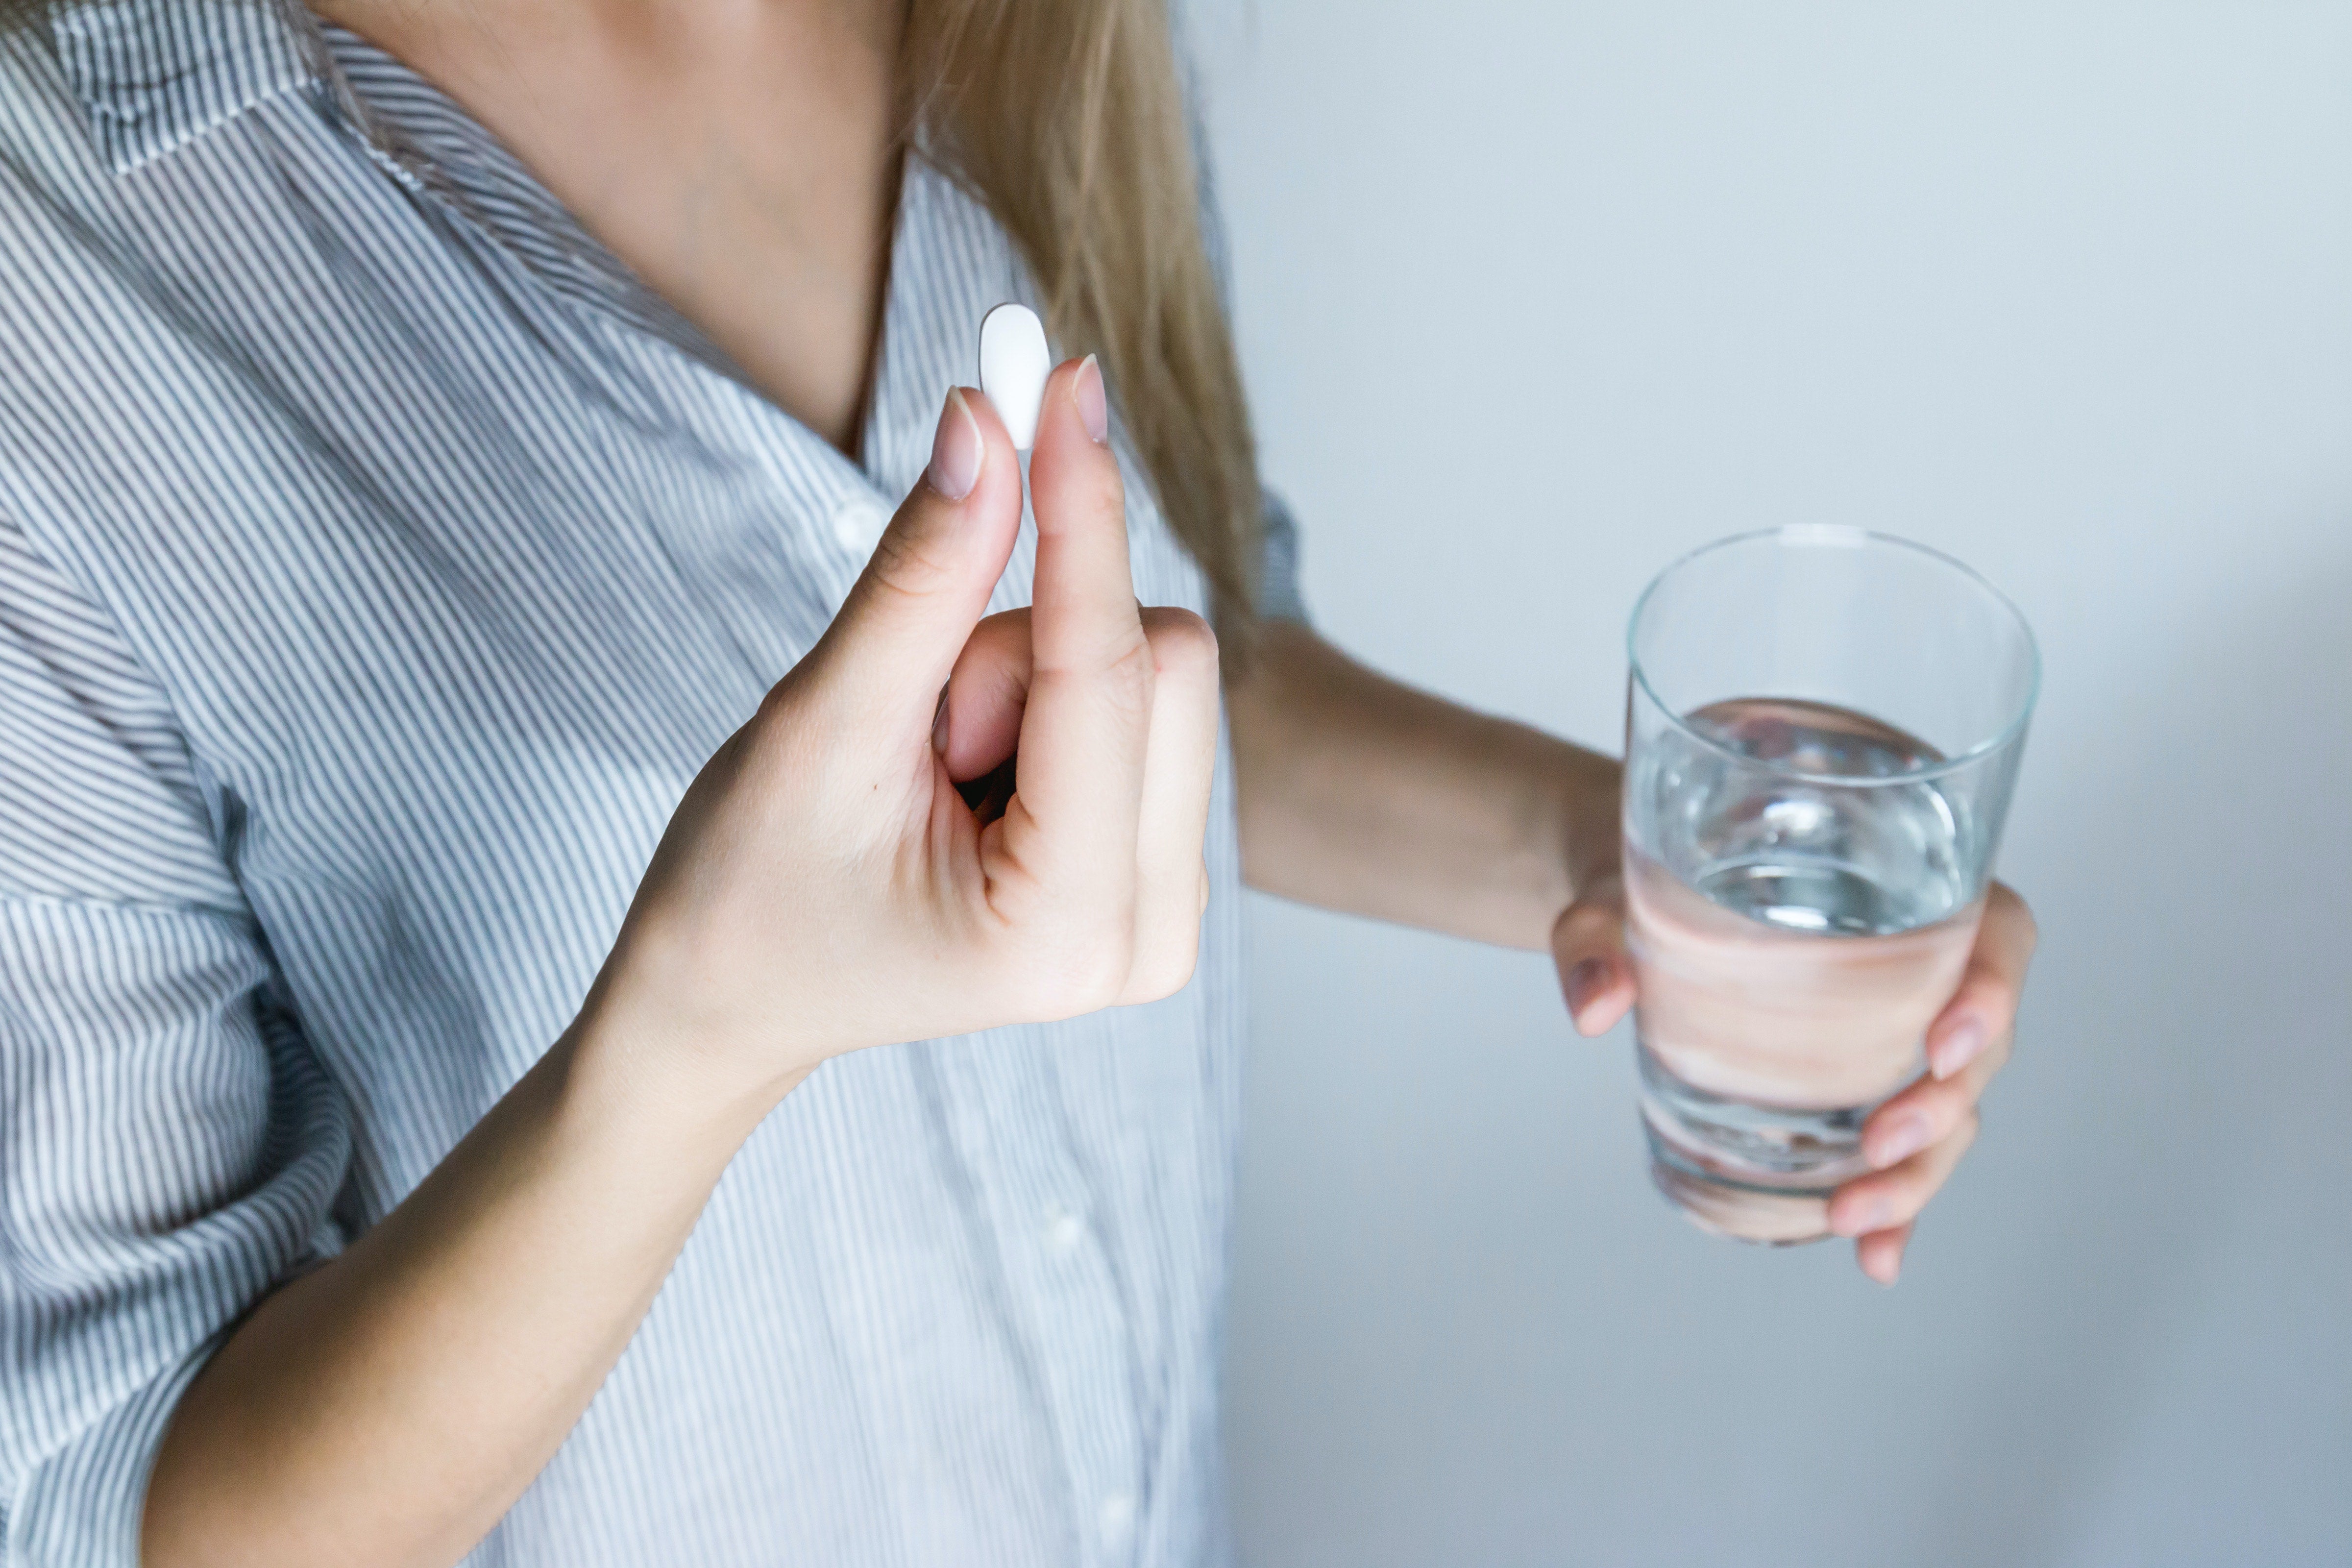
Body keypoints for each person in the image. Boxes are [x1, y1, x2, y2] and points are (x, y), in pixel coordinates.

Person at [0, 1, 2038, 1564]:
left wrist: (1615, 863)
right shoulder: (63, 271)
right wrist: (697, 1034)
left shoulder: (1040, 36)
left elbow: (1161, 664)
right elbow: (125, 1498)